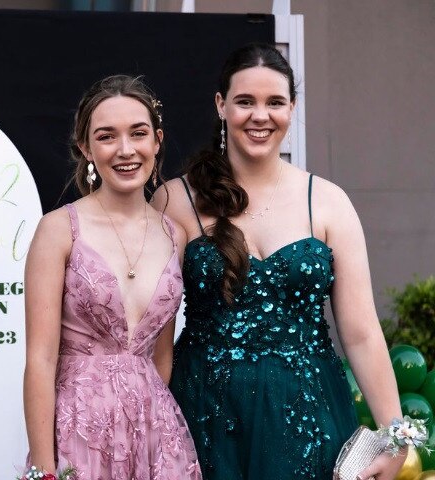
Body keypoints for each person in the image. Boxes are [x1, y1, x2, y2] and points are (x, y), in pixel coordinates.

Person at [151, 43, 406, 480]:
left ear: (292, 107)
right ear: (221, 105)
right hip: (206, 413)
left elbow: (361, 332)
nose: (260, 116)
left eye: (274, 102)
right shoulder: (174, 200)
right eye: (245, 101)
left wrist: (395, 435)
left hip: (310, 412)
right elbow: (154, 331)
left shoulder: (328, 202)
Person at [22, 75, 202, 480]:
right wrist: (43, 469)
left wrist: (150, 427)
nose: (126, 150)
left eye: (138, 134)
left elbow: (162, 355)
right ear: (86, 147)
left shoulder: (176, 235)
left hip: (158, 436)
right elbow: (40, 358)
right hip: (78, 431)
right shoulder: (58, 229)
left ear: (157, 140)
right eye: (107, 136)